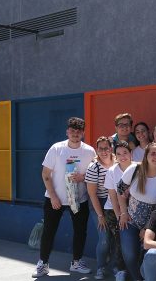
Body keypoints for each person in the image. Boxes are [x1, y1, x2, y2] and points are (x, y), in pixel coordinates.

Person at [32, 117, 97, 278]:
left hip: (79, 199)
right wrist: (53, 197)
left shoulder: (89, 151)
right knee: (49, 231)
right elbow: (45, 174)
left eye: (78, 131)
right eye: (72, 131)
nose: (75, 134)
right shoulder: (56, 149)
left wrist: (82, 177)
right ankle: (43, 264)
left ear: (83, 133)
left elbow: (94, 173)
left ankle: (76, 262)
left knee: (80, 232)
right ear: (67, 131)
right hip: (55, 198)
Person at [117, 142, 156, 281]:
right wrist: (123, 213)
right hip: (130, 220)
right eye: (153, 153)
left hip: (153, 225)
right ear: (146, 156)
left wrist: (147, 228)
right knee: (130, 255)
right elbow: (120, 190)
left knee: (148, 255)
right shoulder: (134, 169)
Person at [85, 136, 116, 280]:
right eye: (100, 148)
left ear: (111, 148)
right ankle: (101, 267)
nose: (104, 151)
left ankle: (116, 266)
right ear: (97, 150)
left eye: (106, 148)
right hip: (99, 203)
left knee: (116, 238)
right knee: (104, 238)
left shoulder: (117, 163)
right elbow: (92, 194)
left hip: (115, 202)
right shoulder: (94, 167)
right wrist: (100, 216)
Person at [104, 140, 133, 281]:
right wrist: (120, 215)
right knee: (120, 238)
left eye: (125, 153)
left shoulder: (137, 168)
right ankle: (121, 270)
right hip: (114, 209)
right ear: (115, 156)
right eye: (119, 154)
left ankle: (135, 269)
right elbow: (113, 196)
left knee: (134, 240)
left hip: (133, 208)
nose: (122, 156)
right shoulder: (112, 171)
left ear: (131, 154)